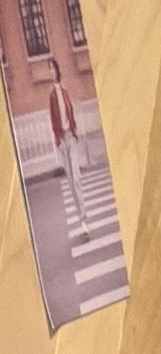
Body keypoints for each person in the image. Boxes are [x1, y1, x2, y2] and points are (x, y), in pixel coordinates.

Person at [46, 63, 90, 242]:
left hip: (70, 138)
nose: (50, 71)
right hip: (62, 142)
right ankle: (82, 223)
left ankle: (85, 220)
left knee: (77, 179)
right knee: (71, 183)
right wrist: (58, 142)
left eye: (52, 67)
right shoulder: (51, 96)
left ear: (57, 70)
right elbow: (52, 121)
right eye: (48, 68)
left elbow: (70, 114)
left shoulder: (64, 92)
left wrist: (75, 132)